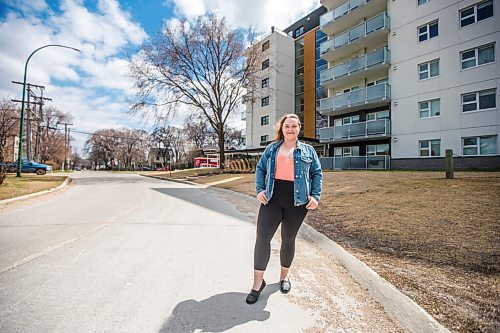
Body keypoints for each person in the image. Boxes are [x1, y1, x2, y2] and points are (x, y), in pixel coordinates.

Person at [246, 113, 323, 304]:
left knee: (288, 239)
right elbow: (261, 169)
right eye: (287, 126)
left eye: (294, 126)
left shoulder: (308, 150)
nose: (290, 129)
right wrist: (260, 189)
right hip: (272, 198)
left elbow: (317, 173)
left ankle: (284, 277)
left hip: (297, 202)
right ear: (281, 128)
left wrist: (315, 196)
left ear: (299, 128)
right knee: (262, 238)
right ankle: (257, 284)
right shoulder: (272, 149)